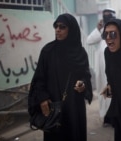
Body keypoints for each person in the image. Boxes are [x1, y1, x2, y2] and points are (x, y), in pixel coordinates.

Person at [28, 13, 93, 141]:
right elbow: (39, 79)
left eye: (62, 27)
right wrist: (42, 99)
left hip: (74, 106)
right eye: (56, 26)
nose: (58, 30)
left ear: (71, 29)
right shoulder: (48, 51)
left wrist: (83, 85)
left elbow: (85, 75)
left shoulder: (80, 53)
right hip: (54, 106)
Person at [86, 8, 116, 127]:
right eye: (105, 16)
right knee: (105, 94)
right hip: (103, 72)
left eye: (108, 16)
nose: (106, 18)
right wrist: (98, 29)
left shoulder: (117, 29)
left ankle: (115, 118)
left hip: (114, 69)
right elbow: (89, 41)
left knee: (114, 93)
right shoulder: (102, 32)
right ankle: (107, 117)